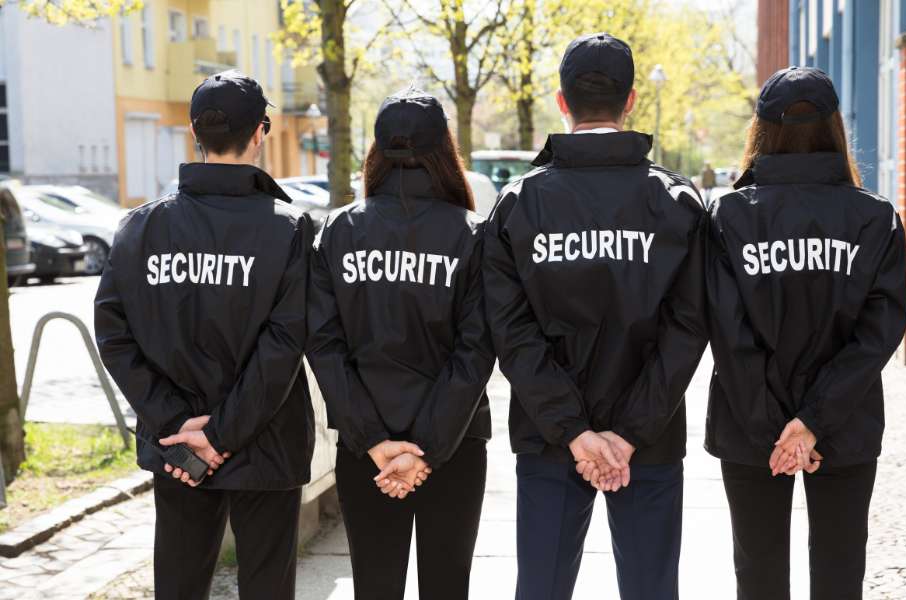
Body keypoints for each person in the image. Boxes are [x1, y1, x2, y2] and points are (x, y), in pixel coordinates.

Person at [484, 33, 707, 600]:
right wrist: (627, 434)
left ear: (562, 102)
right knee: (652, 589)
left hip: (549, 434)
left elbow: (511, 334)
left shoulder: (519, 203)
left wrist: (576, 433)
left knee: (541, 588)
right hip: (648, 436)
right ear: (631, 101)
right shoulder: (676, 201)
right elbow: (688, 330)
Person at [94, 70, 314, 600]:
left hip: (178, 445)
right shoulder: (289, 228)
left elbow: (113, 333)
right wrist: (222, 434)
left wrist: (178, 425)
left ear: (195, 133)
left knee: (179, 581)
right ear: (261, 132)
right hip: (264, 443)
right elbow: (283, 347)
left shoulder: (140, 227)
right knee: (266, 586)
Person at [704, 66, 906, 600]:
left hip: (752, 429)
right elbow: (878, 334)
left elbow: (729, 334)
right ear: (835, 128)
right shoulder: (874, 216)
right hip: (846, 419)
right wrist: (811, 423)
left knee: (758, 575)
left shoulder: (728, 215)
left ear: (761, 130)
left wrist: (778, 427)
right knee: (841, 574)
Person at [306, 88, 495, 600]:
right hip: (453, 445)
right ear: (445, 150)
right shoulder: (473, 235)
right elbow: (476, 352)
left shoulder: (338, 231)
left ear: (377, 150)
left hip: (368, 449)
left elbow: (324, 348)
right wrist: (428, 449)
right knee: (447, 586)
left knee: (374, 585)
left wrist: (374, 442)